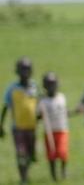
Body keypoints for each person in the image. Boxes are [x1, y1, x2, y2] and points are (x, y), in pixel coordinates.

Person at [1, 57, 38, 185]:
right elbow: (5, 107)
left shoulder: (34, 87)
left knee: (31, 154)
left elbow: (39, 104)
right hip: (18, 128)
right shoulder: (12, 89)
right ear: (17, 71)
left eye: (28, 69)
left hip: (32, 127)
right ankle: (23, 178)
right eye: (22, 69)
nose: (25, 72)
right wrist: (1, 125)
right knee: (21, 153)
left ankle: (26, 171)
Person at [38, 72, 70, 181]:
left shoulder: (61, 97)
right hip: (49, 131)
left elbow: (65, 112)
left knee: (62, 152)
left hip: (62, 130)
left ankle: (63, 172)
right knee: (51, 154)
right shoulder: (43, 101)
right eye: (49, 84)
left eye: (53, 84)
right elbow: (38, 116)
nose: (51, 87)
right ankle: (53, 176)